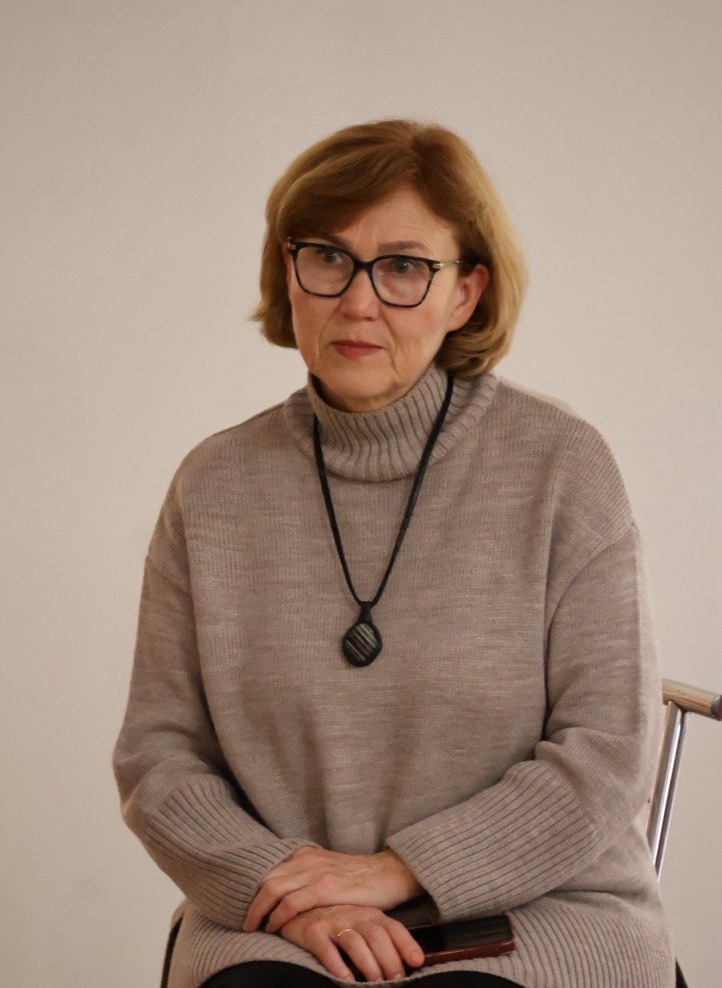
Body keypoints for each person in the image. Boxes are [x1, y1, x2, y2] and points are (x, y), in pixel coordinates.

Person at [113, 119, 676, 988]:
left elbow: (607, 755)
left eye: (405, 267)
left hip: (542, 912)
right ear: (288, 273)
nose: (358, 301)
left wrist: (396, 871)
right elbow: (160, 756)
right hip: (285, 918)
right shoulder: (214, 486)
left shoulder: (563, 467)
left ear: (467, 294)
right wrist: (289, 888)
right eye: (327, 257)